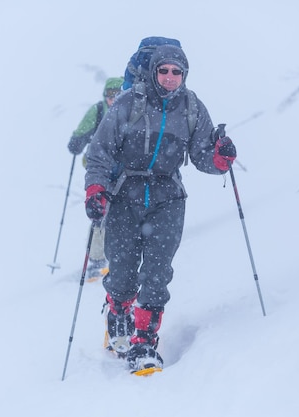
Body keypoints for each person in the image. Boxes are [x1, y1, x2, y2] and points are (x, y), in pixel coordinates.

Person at [83, 43, 237, 372]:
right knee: (122, 270)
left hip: (168, 198)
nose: (170, 77)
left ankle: (144, 342)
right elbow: (100, 152)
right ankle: (119, 312)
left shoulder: (192, 108)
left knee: (156, 272)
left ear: (184, 74)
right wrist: (96, 188)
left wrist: (220, 158)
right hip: (125, 195)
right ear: (153, 72)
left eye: (176, 72)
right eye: (163, 71)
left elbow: (202, 156)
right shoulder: (128, 103)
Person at [67, 76, 124, 282]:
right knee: (100, 211)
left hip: (125, 171)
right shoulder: (98, 112)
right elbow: (81, 132)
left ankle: (119, 255)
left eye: (118, 94)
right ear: (105, 97)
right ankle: (98, 260)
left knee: (121, 213)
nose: (114, 99)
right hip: (100, 169)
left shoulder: (131, 110)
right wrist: (77, 141)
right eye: (110, 95)